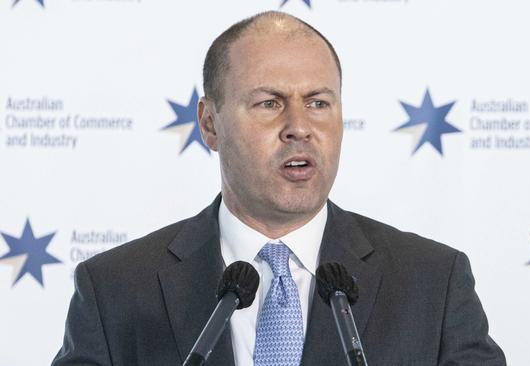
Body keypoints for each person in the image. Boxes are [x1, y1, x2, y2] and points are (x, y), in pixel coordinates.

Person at [52, 11, 506, 366]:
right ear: (209, 123)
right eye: (269, 103)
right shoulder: (114, 289)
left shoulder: (433, 281)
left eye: (318, 103)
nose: (299, 128)